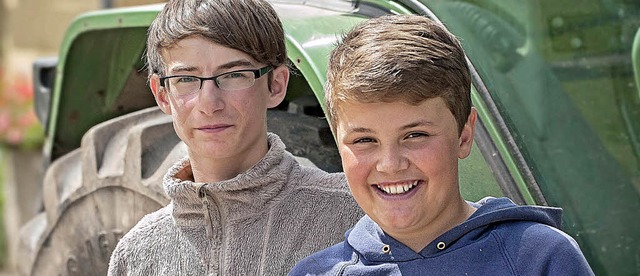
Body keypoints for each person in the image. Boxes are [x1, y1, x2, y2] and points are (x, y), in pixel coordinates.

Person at [290, 14, 594, 275]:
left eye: (415, 135)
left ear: (464, 135)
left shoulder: (539, 258)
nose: (391, 163)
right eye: (365, 140)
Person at [107, 0, 363, 275]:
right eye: (186, 79)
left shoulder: (352, 216)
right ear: (162, 95)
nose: (209, 103)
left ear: (276, 85)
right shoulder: (137, 255)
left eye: (234, 75)